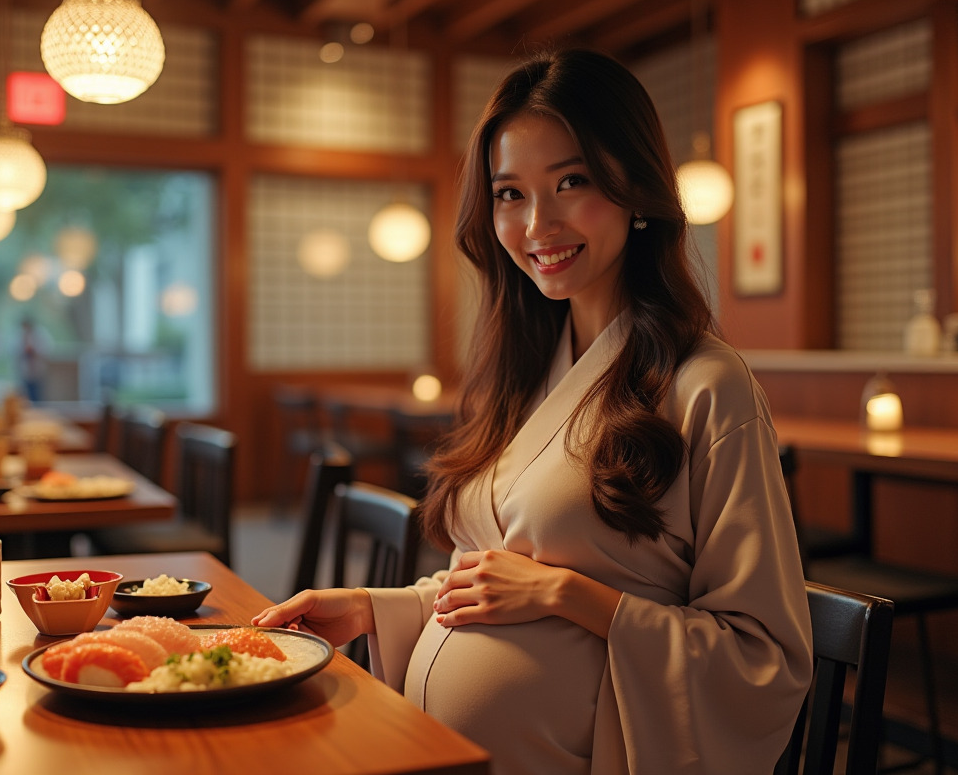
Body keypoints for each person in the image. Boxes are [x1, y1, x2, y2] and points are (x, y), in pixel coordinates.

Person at [254, 48, 812, 774]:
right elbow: (499, 581)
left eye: (571, 182)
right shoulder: (523, 375)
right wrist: (376, 607)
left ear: (636, 188)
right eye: (510, 194)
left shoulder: (708, 387)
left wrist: (568, 594)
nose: (537, 224)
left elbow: (761, 655)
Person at [18, 317, 49, 403]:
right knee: (26, 396)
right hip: (26, 371)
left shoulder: (40, 334)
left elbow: (46, 350)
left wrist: (34, 351)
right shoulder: (21, 335)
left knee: (38, 396)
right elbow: (16, 351)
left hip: (38, 370)